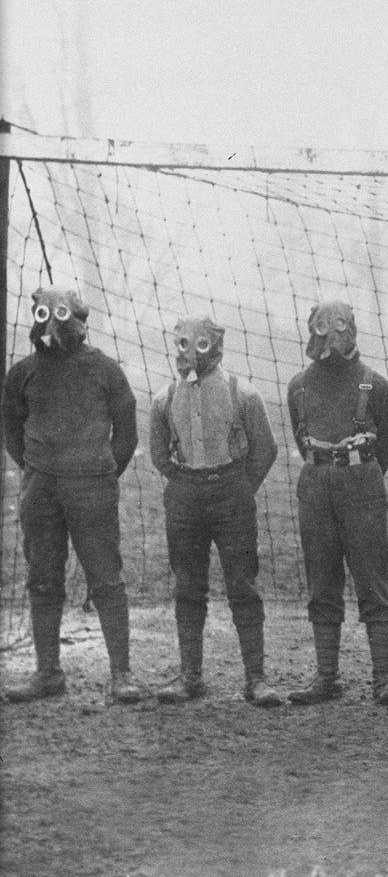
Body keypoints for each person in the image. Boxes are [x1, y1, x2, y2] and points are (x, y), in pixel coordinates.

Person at [2, 285, 139, 704]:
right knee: (43, 579)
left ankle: (122, 675)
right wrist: (39, 471)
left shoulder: (105, 369)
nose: (54, 325)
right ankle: (47, 673)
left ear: (78, 320)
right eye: (45, 315)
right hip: (42, 490)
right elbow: (12, 432)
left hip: (92, 488)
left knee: (105, 579)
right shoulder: (22, 373)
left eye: (62, 316)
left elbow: (127, 433)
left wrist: (99, 471)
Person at [149, 314, 280, 705]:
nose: (192, 352)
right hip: (186, 496)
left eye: (201, 343)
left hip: (231, 494)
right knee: (188, 585)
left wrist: (239, 489)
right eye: (184, 343)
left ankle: (255, 679)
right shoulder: (164, 397)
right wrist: (187, 482)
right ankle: (190, 676)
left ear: (216, 345)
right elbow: (159, 454)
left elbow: (266, 450)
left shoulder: (244, 394)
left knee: (243, 584)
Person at [285, 300, 388, 706]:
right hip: (316, 483)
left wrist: (361, 472)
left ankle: (382, 679)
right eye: (321, 327)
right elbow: (301, 438)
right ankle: (326, 676)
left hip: (361, 484)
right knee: (322, 578)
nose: (330, 336)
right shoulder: (298, 385)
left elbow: (385, 442)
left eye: (339, 326)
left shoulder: (374, 384)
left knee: (373, 577)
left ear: (352, 329)